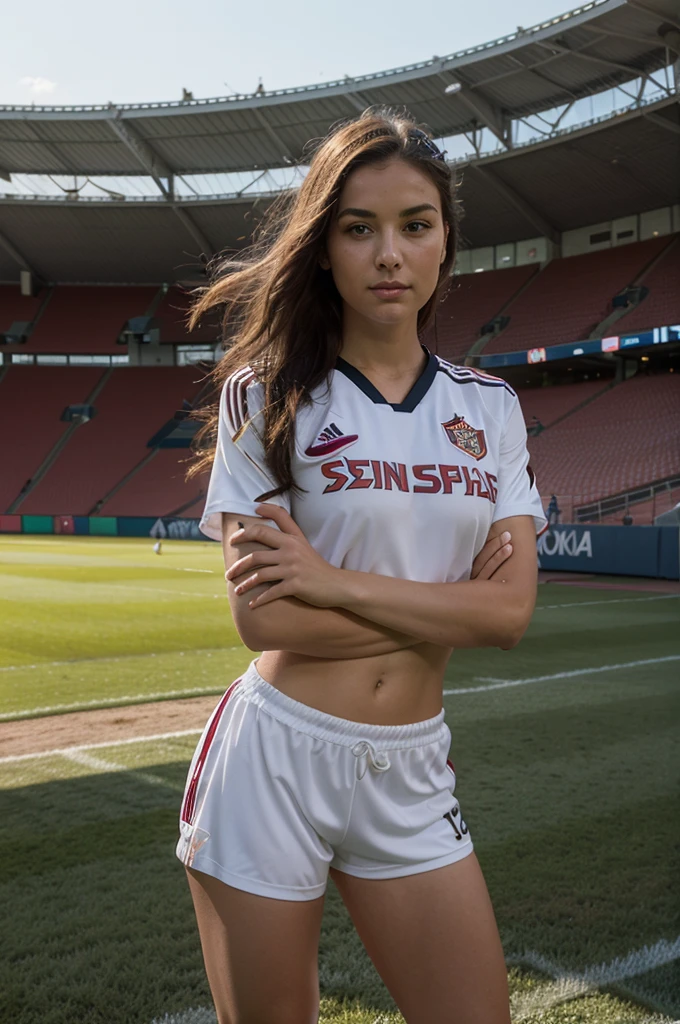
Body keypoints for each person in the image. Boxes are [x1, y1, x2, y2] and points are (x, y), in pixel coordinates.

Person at [176, 109, 547, 1024]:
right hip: (273, 763)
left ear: (444, 244)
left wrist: (332, 580)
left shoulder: (490, 408)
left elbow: (508, 619)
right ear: (326, 247)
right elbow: (266, 620)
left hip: (413, 769)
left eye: (415, 225)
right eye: (359, 228)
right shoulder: (262, 396)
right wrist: (451, 602)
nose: (389, 253)